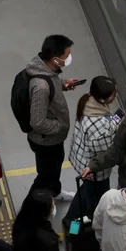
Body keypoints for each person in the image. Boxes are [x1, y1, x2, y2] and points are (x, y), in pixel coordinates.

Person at [24, 34, 79, 200]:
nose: (69, 58)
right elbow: (38, 122)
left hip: (53, 139)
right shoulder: (41, 87)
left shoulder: (45, 68)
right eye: (66, 55)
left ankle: (54, 192)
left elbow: (52, 81)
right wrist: (60, 127)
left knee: (54, 168)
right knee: (45, 175)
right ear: (55, 59)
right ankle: (32, 207)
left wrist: (63, 84)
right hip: (46, 141)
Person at [69, 76, 117, 213]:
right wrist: (115, 130)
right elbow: (106, 150)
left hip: (81, 159)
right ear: (103, 99)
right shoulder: (98, 123)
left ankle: (72, 219)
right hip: (94, 170)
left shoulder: (87, 100)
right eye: (113, 94)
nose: (115, 95)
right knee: (96, 204)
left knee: (86, 191)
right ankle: (76, 228)